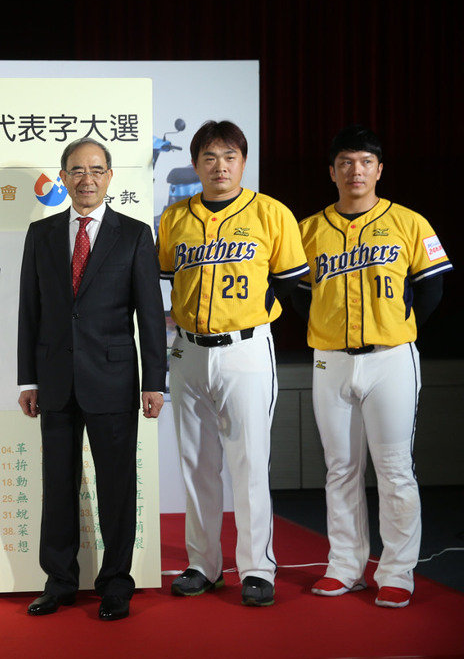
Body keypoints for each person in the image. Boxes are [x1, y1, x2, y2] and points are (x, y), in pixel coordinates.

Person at [296, 125, 451, 608]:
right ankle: (345, 566)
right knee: (340, 469)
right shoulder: (309, 229)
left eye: (365, 161)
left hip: (390, 359)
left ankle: (398, 571)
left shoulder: (409, 222)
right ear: (332, 171)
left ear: (379, 169)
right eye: (345, 162)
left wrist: (397, 326)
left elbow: (432, 288)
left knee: (395, 469)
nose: (355, 170)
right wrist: (327, 326)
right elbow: (298, 293)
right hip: (331, 361)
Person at [157, 120, 308, 607]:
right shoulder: (174, 218)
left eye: (229, 156)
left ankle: (257, 568)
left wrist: (258, 308)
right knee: (196, 464)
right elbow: (166, 275)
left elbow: (290, 278)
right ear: (196, 164)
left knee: (249, 464)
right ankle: (203, 564)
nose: (219, 166)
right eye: (209, 157)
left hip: (245, 349)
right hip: (188, 350)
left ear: (243, 162)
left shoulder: (271, 212)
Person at [17, 137, 166, 621]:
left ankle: (116, 584)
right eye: (77, 170)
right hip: (56, 380)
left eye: (96, 170)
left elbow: (151, 315)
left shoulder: (135, 234)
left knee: (116, 487)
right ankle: (59, 582)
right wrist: (28, 380)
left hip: (115, 380)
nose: (87, 179)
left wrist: (154, 381)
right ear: (63, 177)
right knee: (57, 485)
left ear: (110, 177)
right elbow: (30, 311)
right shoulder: (41, 234)